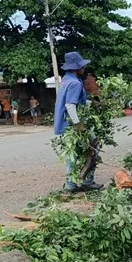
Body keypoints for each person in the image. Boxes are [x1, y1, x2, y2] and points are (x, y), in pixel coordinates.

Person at [54, 51, 103, 193]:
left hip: (63, 123)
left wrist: (93, 104)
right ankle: (87, 181)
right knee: (93, 147)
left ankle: (71, 185)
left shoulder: (66, 80)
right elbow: (70, 105)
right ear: (76, 68)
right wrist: (78, 124)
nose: (84, 68)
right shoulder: (75, 83)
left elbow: (77, 101)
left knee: (72, 154)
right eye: (81, 66)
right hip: (72, 124)